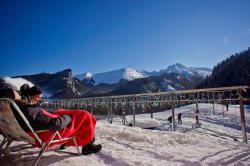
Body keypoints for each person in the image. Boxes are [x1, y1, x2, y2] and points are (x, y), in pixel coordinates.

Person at [14, 85, 102, 155]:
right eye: (38, 97)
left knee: (68, 112)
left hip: (37, 130)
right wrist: (68, 117)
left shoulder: (18, 108)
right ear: (30, 95)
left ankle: (74, 142)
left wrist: (57, 113)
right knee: (84, 116)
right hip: (47, 133)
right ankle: (87, 145)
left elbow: (40, 118)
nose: (39, 100)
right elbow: (56, 124)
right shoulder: (28, 109)